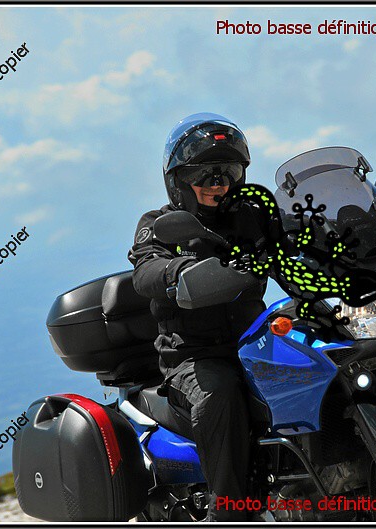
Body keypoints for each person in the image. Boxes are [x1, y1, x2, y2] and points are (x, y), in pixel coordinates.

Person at [128, 113, 267, 521]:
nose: (217, 183)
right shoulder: (158, 224)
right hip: (194, 358)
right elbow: (146, 270)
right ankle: (229, 514)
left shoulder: (253, 218)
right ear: (177, 181)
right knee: (219, 392)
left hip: (255, 344)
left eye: (228, 173)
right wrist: (178, 272)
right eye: (203, 175)